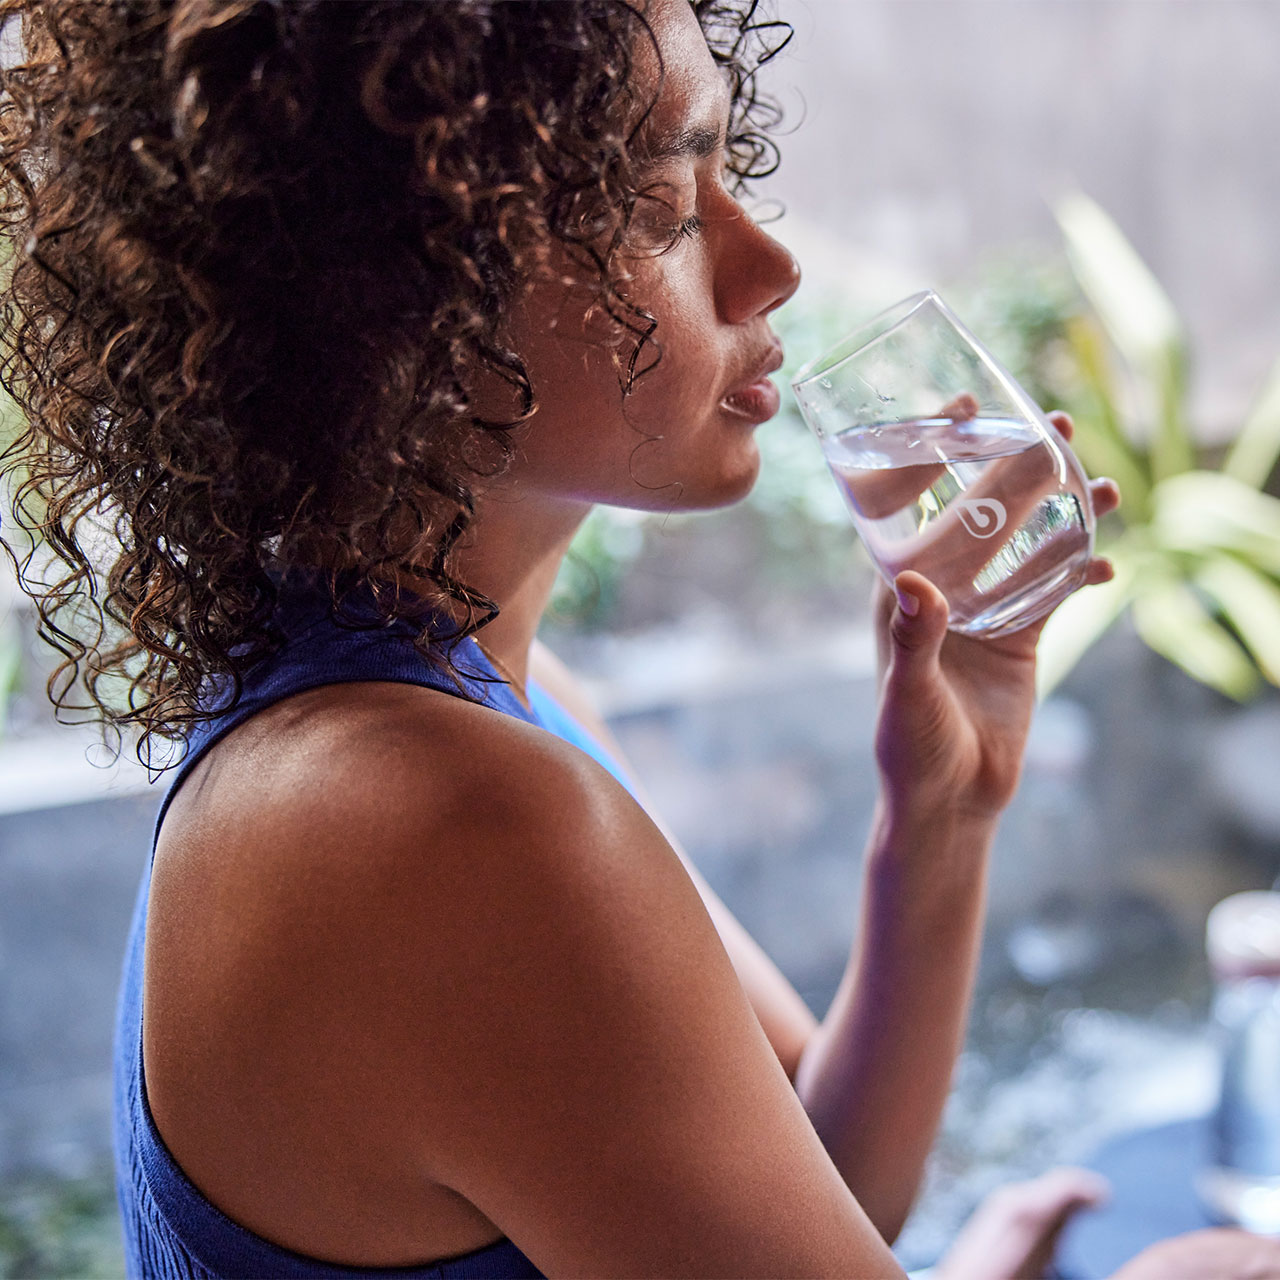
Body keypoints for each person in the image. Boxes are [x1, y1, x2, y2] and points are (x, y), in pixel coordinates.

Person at [0, 1, 1275, 1276]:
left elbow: (799, 1180)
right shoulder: (438, 818)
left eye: (726, 166)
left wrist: (940, 814)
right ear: (394, 286)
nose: (768, 263)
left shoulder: (470, 694)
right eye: (661, 209)